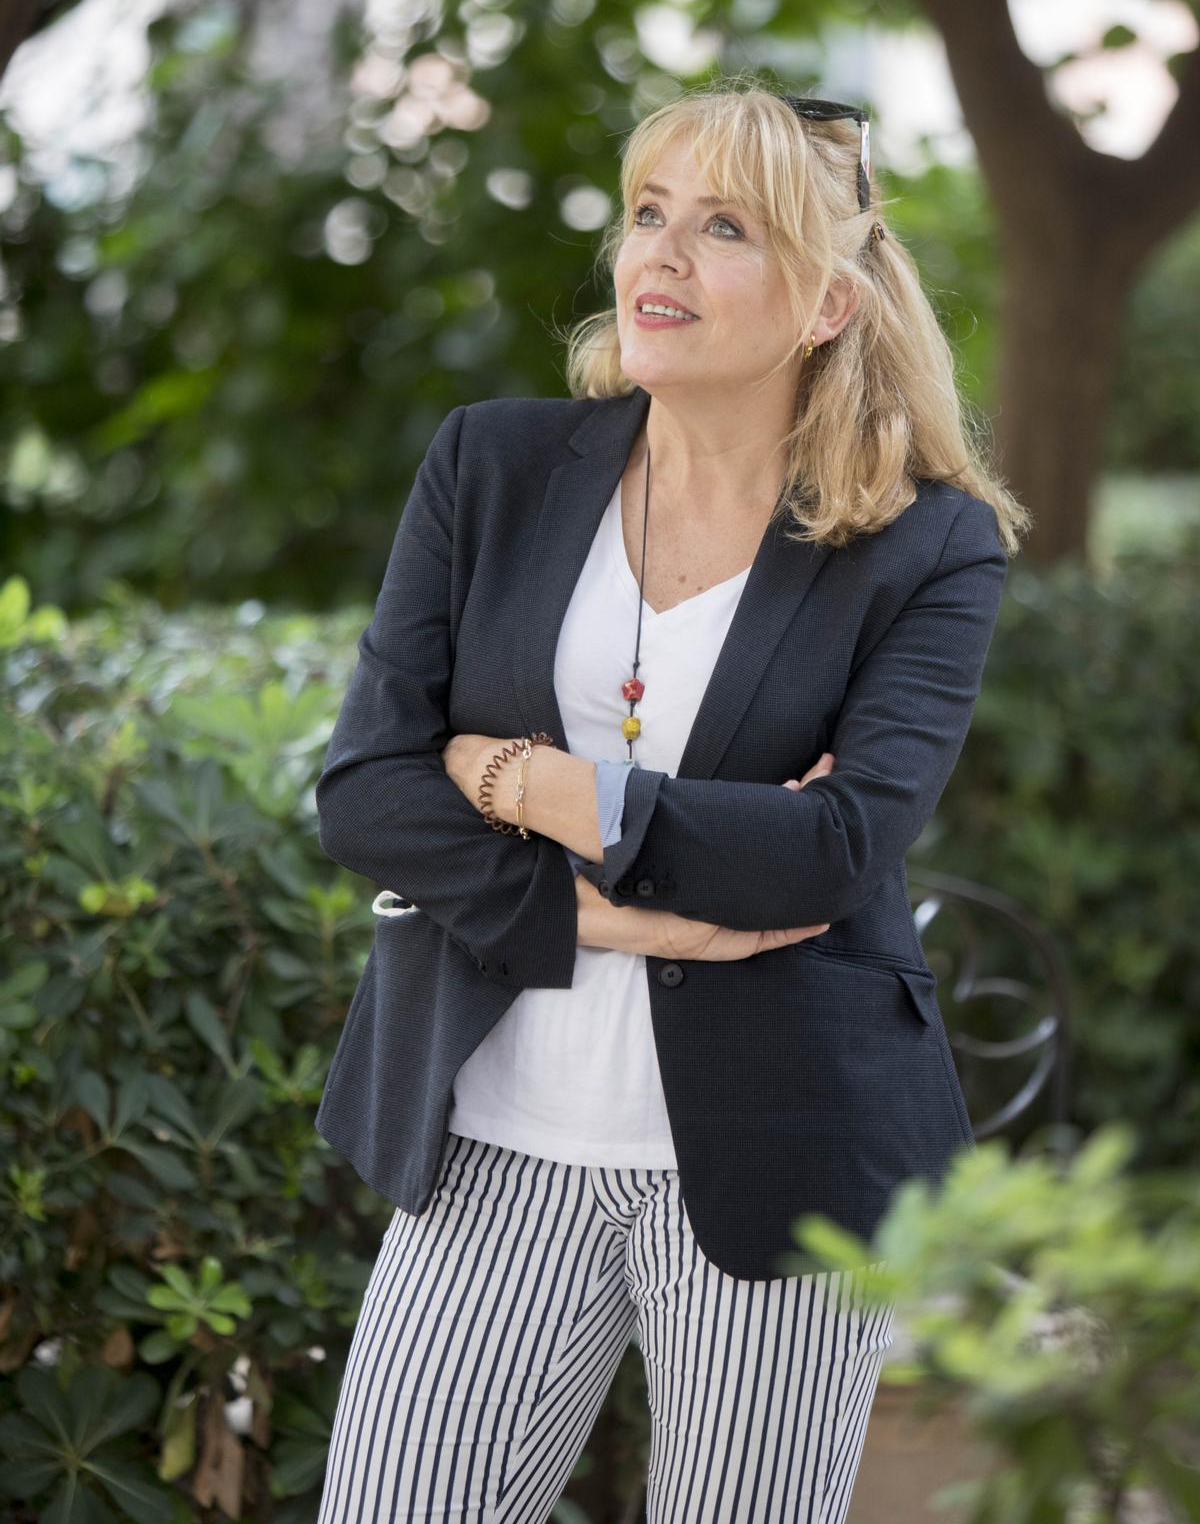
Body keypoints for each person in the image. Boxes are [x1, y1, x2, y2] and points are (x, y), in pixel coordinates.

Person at [312, 78, 1031, 1522]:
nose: (660, 256)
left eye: (723, 229)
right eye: (648, 215)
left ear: (827, 303)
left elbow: (832, 851)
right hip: (496, 1143)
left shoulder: (929, 546)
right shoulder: (492, 467)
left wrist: (524, 778)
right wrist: (614, 922)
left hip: (792, 1164)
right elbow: (370, 793)